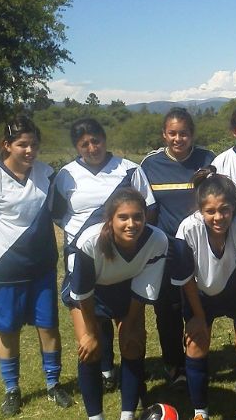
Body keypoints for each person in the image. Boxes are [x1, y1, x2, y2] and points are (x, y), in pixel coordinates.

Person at [0, 116, 73, 416]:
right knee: (8, 330)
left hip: (41, 267)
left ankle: (53, 384)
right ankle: (12, 389)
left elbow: (60, 213)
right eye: (22, 144)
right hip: (3, 269)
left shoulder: (47, 175)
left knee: (48, 327)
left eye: (34, 144)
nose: (29, 150)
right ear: (6, 145)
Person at [52, 118, 155, 393]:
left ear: (104, 139)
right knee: (93, 314)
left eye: (95, 140)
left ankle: (135, 372)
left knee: (129, 315)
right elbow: (59, 214)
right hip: (84, 254)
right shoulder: (66, 175)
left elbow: (149, 209)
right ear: (76, 146)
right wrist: (87, 236)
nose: (91, 147)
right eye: (84, 143)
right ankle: (106, 369)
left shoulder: (129, 169)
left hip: (126, 253)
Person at [172, 167, 236, 420]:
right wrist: (198, 317)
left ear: (233, 207)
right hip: (200, 294)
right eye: (210, 211)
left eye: (224, 209)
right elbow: (186, 280)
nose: (218, 217)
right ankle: (200, 411)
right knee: (196, 341)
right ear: (200, 211)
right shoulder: (187, 229)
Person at [68, 188, 168, 420]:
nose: (131, 223)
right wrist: (92, 333)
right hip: (90, 293)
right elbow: (83, 293)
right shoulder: (90, 241)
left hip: (126, 288)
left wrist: (130, 326)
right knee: (90, 350)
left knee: (132, 344)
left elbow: (143, 289)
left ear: (145, 217)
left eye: (138, 216)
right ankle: (96, 417)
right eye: (123, 217)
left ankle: (127, 415)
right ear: (110, 219)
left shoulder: (157, 240)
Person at [140, 107, 215, 387]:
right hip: (166, 250)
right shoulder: (150, 165)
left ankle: (197, 359)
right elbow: (147, 209)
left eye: (183, 133)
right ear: (164, 134)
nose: (178, 138)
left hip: (202, 247)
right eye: (172, 133)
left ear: (192, 134)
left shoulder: (208, 159)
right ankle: (174, 364)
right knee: (168, 309)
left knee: (198, 306)